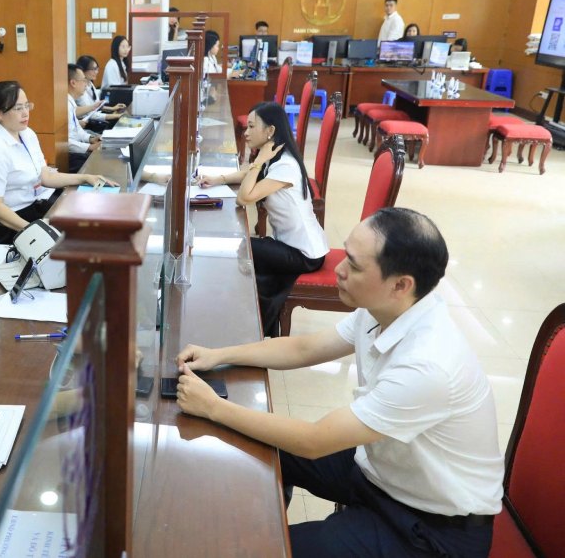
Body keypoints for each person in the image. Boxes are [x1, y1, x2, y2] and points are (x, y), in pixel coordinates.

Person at [175, 207, 502, 558]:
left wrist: (213, 406)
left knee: (262, 549)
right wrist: (219, 354)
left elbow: (314, 440)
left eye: (355, 266)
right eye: (345, 255)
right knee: (249, 440)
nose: (340, 271)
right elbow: (305, 347)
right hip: (383, 472)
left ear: (400, 284)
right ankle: (245, 510)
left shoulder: (430, 365)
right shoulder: (390, 308)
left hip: (428, 530)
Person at [199, 102, 328, 336]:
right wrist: (218, 179)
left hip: (305, 254)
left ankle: (249, 322)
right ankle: (248, 317)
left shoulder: (285, 165)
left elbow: (244, 197)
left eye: (251, 127)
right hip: (292, 244)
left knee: (244, 247)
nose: (245, 132)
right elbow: (250, 175)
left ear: (269, 131)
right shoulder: (276, 155)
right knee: (249, 248)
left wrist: (257, 161)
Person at [0, 81, 116, 243]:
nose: (25, 113)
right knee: (70, 238)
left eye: (27, 106)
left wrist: (85, 177)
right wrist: (36, 231)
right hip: (2, 224)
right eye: (18, 108)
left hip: (30, 206)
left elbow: (45, 176)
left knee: (83, 217)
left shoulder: (26, 134)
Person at [74, 54, 125, 134]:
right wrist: (116, 116)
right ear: (83, 70)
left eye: (97, 69)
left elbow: (96, 106)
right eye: (93, 69)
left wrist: (112, 108)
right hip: (87, 123)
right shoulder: (80, 89)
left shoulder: (90, 83)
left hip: (94, 118)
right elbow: (91, 114)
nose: (96, 72)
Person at [67, 63, 101, 173]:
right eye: (83, 80)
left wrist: (91, 139)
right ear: (73, 83)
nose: (86, 85)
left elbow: (77, 130)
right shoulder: (64, 104)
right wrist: (89, 147)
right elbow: (63, 142)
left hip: (79, 148)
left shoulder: (70, 102)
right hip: (72, 155)